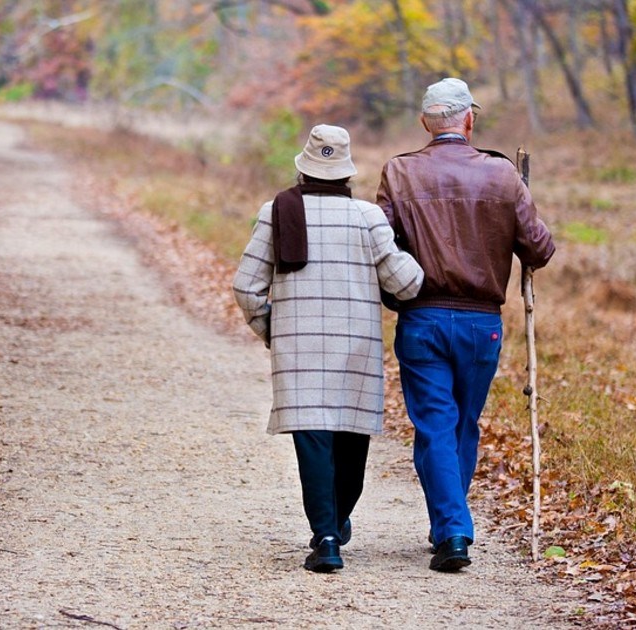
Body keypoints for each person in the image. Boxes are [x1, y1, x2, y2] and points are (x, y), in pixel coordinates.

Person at [376, 78, 556, 572]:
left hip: (422, 317)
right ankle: (451, 525)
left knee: (436, 424)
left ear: (425, 123)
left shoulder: (399, 171)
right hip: (482, 325)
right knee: (461, 424)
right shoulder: (502, 174)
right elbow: (540, 248)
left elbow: (379, 243)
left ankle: (450, 527)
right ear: (469, 120)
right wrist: (517, 200)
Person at [232, 124, 424, 573]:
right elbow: (406, 284)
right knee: (351, 440)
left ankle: (327, 537)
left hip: (298, 351)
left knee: (313, 440)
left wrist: (273, 330)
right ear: (347, 173)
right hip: (356, 348)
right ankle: (335, 523)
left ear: (303, 169)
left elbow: (246, 287)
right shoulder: (368, 217)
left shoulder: (276, 212)